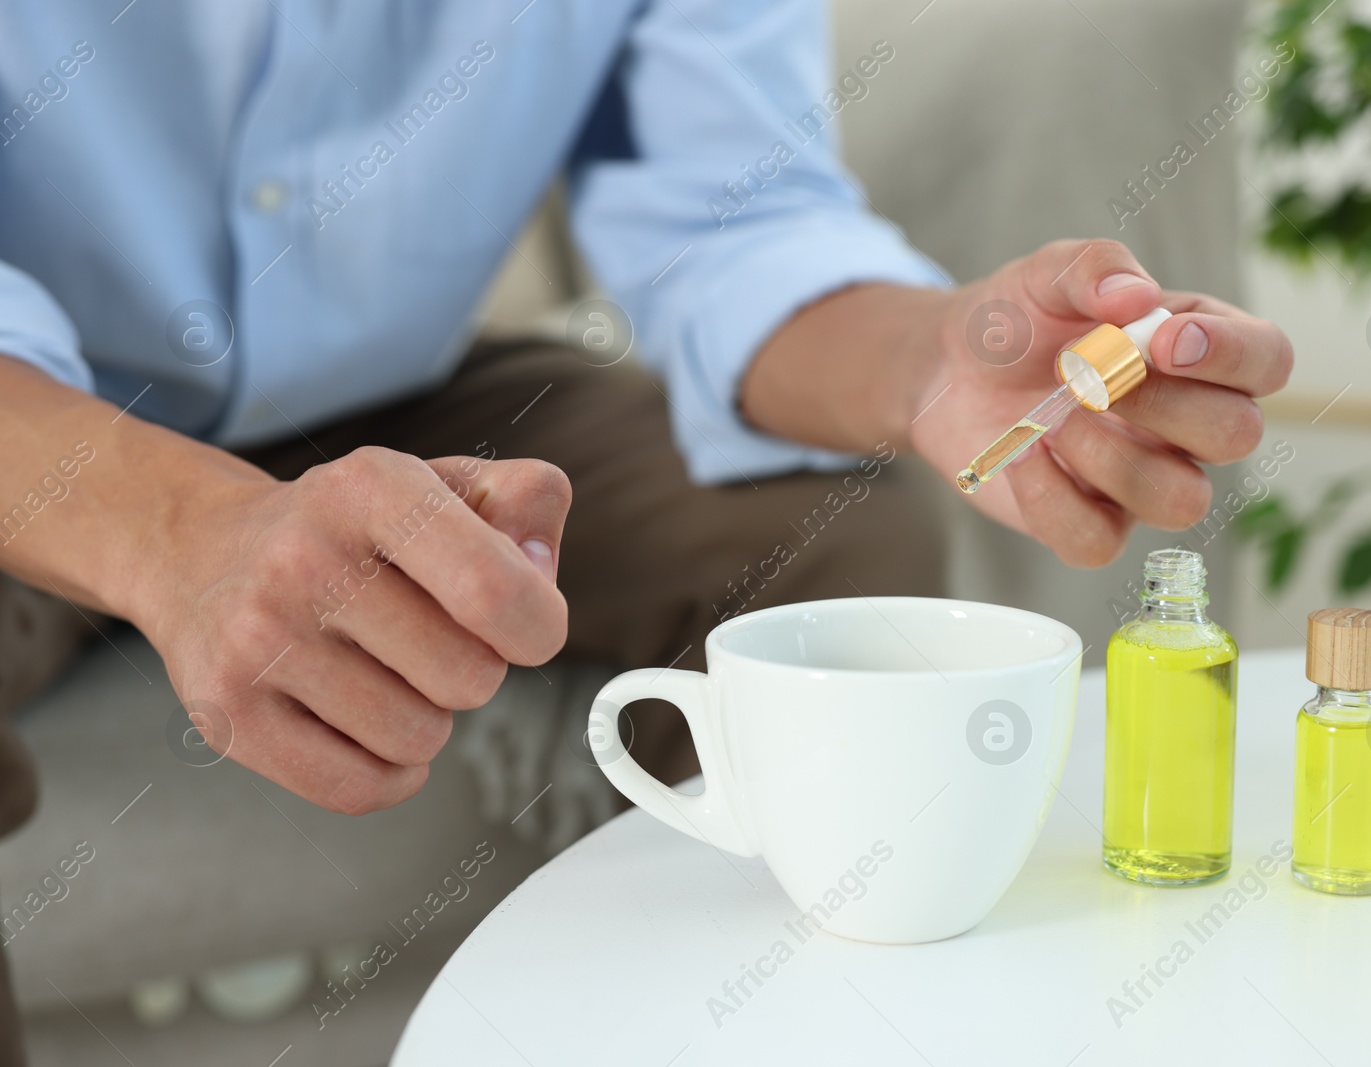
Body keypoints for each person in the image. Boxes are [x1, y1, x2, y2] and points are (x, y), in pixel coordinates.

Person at [0, 4, 1289, 1056]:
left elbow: (736, 218)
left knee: (835, 553)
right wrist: (184, 533)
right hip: (38, 415)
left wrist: (935, 362)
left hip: (384, 389)